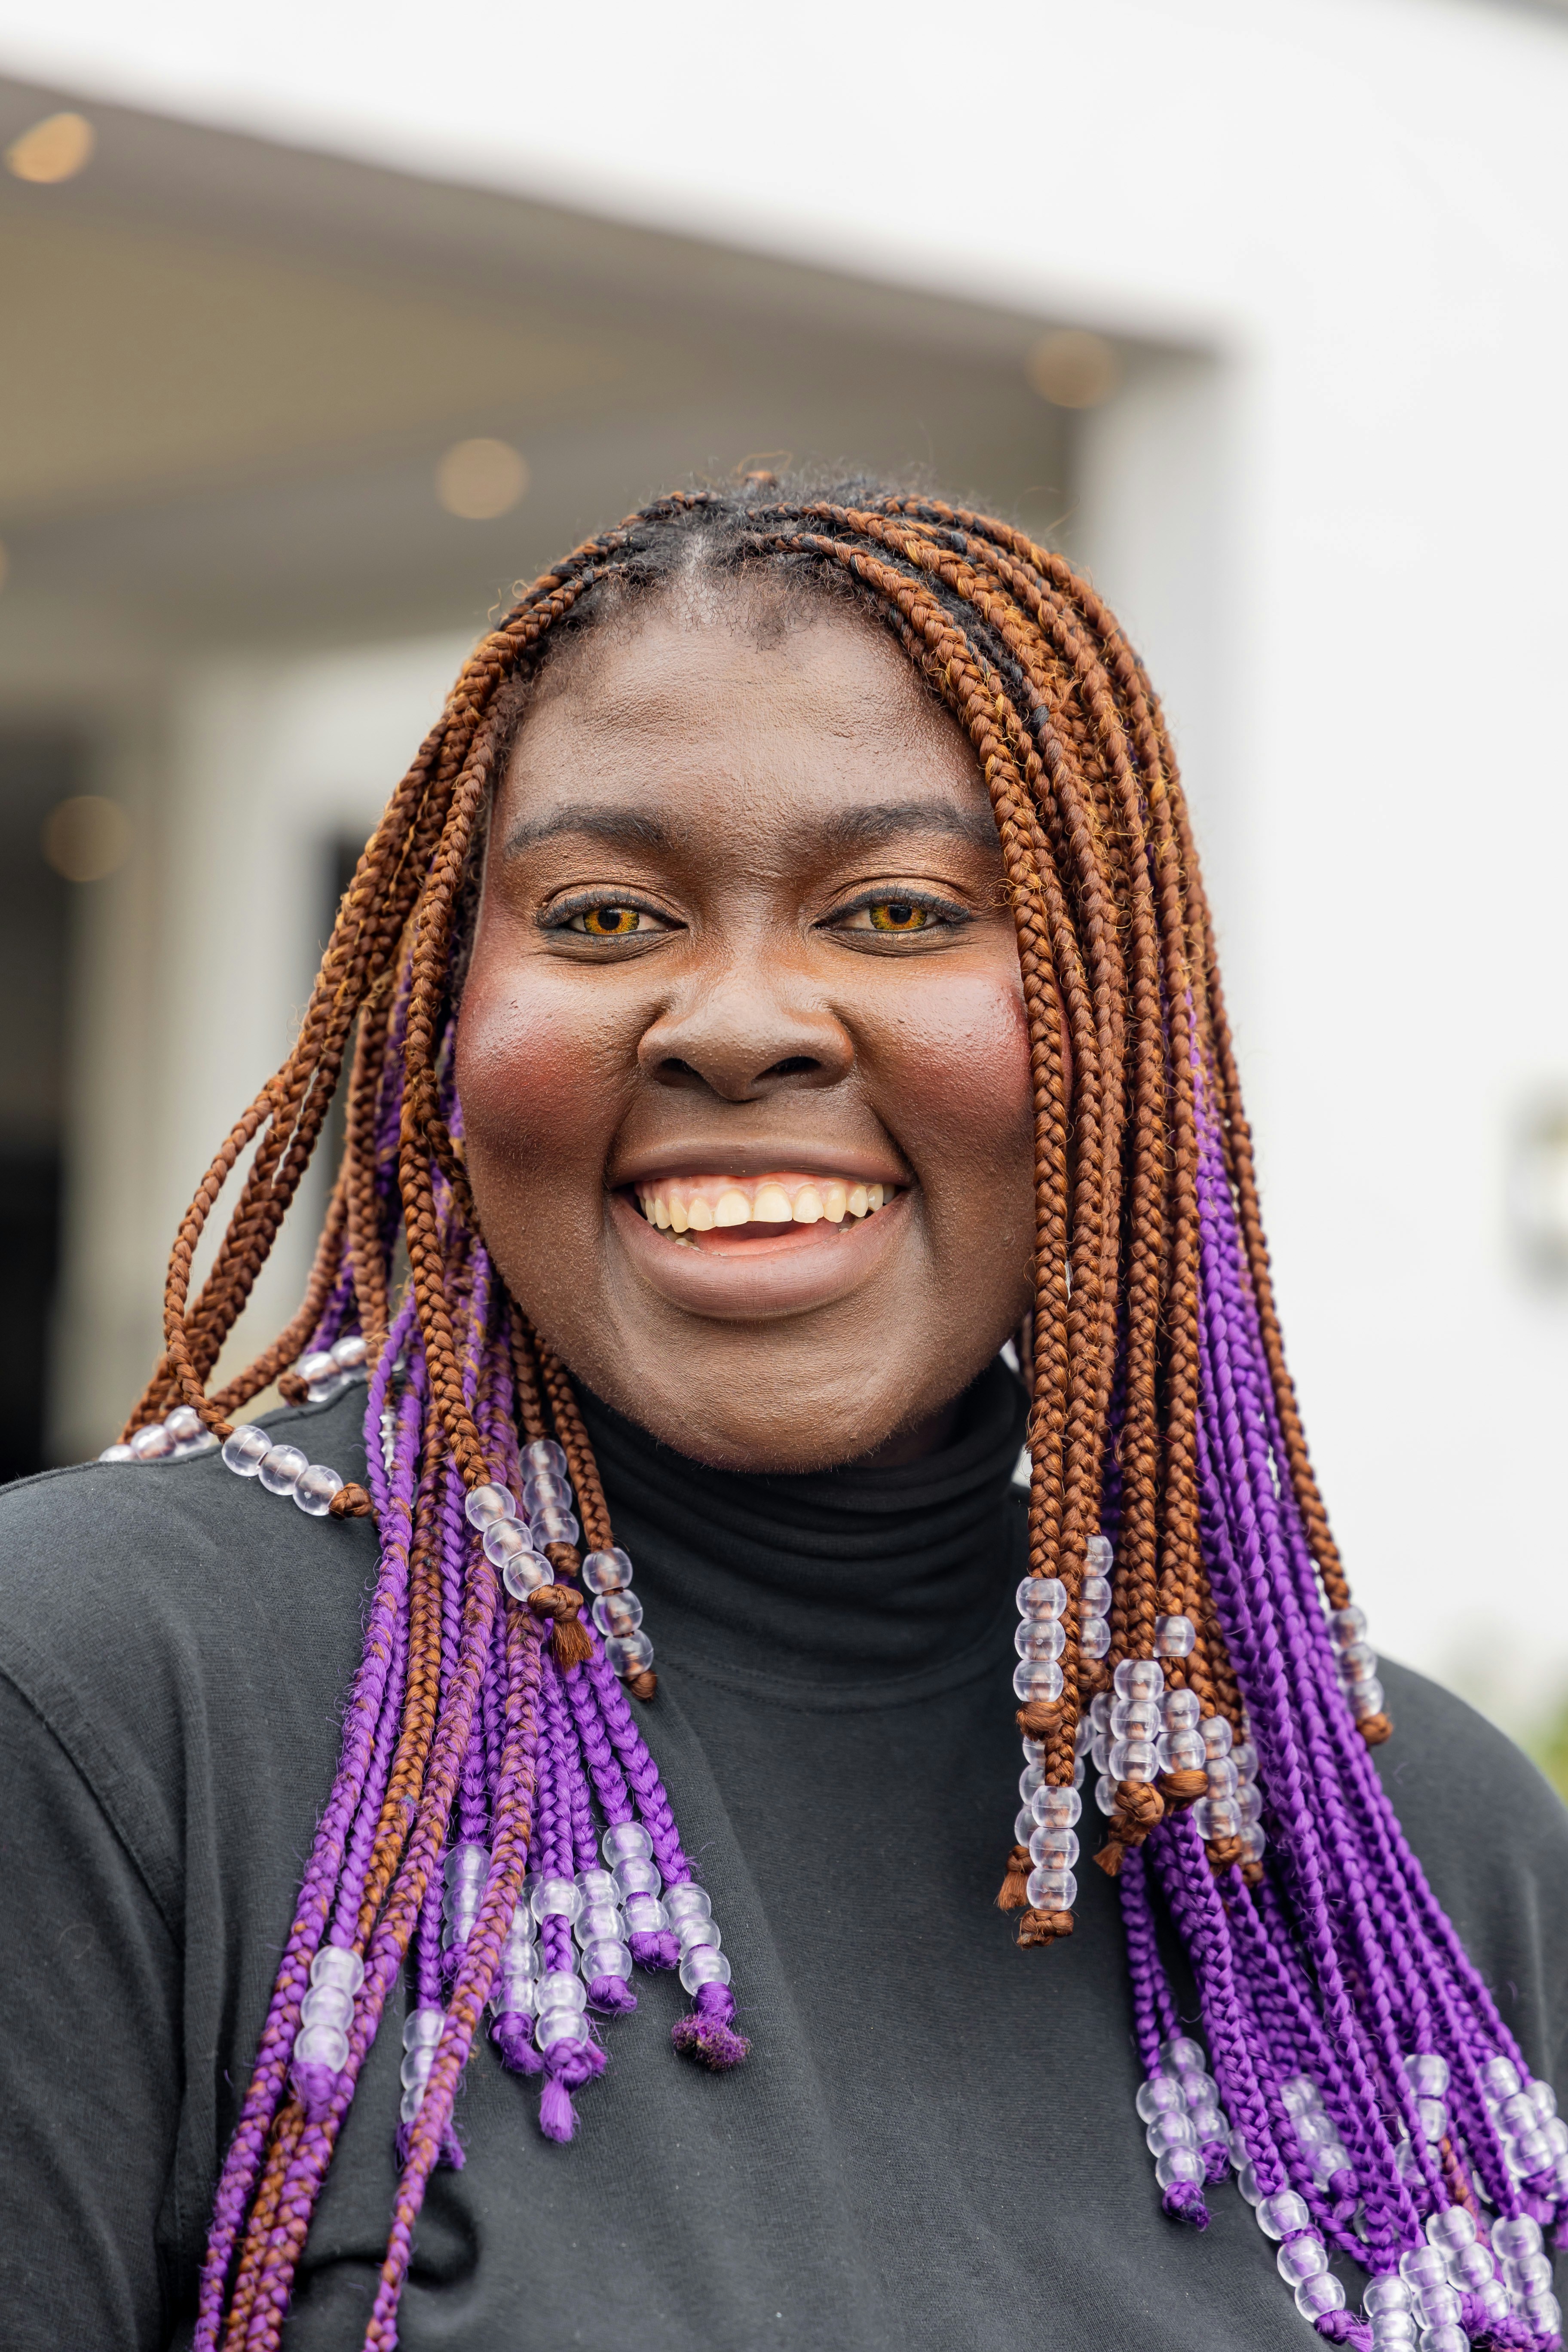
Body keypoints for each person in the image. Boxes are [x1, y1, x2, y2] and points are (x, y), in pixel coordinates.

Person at [0, 479, 1563, 2352]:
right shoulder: (95, 1698)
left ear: (1120, 1035)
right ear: (440, 1018)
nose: (740, 1023)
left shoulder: (1415, 1847)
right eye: (602, 914)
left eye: (900, 910)